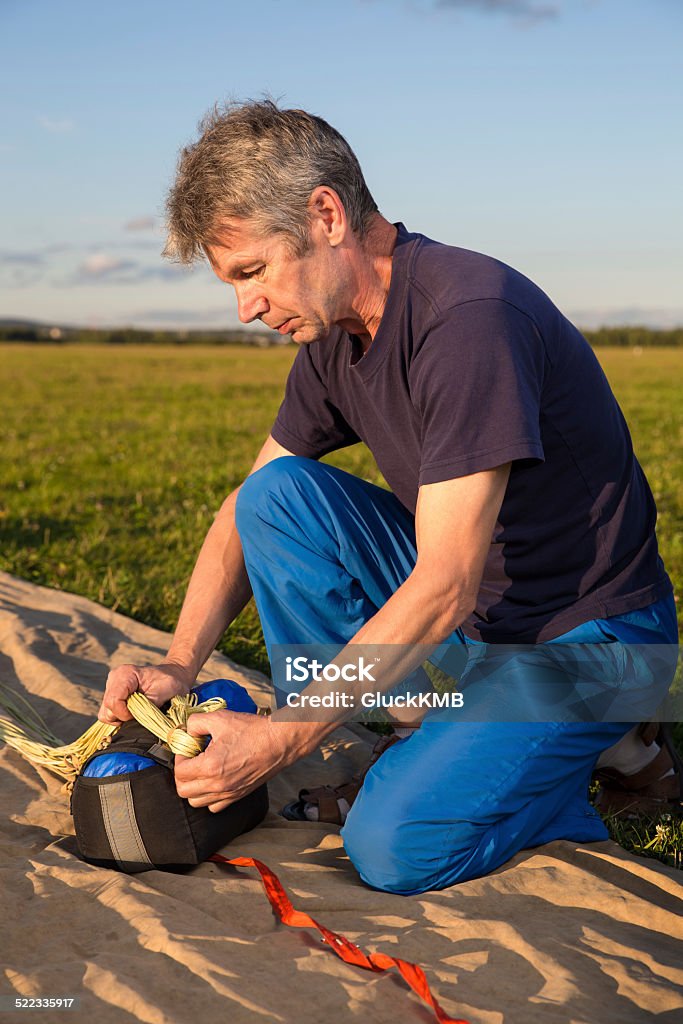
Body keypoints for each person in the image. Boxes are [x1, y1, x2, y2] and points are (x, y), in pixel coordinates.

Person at [99, 100, 679, 895]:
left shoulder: (467, 319)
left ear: (326, 215)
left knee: (392, 847)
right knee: (277, 497)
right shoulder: (338, 331)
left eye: (252, 271)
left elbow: (443, 584)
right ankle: (442, 740)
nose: (246, 308)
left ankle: (564, 757)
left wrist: (279, 741)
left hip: (594, 640)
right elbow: (245, 508)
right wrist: (176, 660)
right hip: (482, 623)